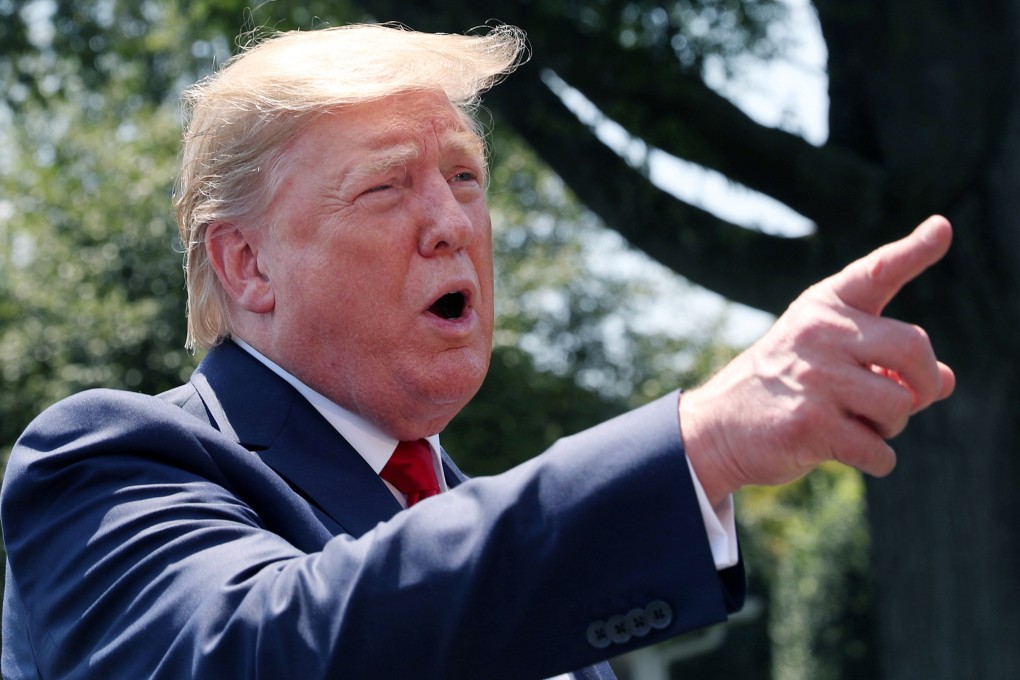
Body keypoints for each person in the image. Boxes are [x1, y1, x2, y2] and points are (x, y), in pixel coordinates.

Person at [0, 23, 954, 680]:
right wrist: (695, 444)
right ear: (247, 264)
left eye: (465, 176)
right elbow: (269, 652)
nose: (452, 222)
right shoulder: (105, 463)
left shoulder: (481, 527)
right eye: (386, 187)